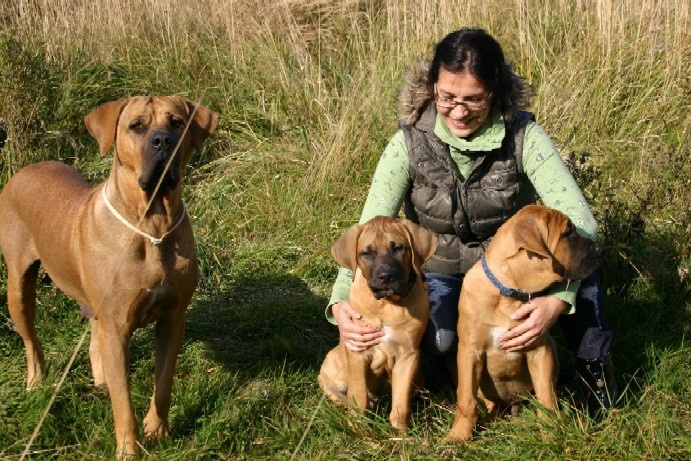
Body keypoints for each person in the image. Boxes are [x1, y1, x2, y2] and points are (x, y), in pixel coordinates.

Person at [325, 28, 617, 416]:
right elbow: (368, 230)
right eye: (447, 98)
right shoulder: (408, 142)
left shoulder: (524, 136)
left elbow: (581, 223)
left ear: (494, 92)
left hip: (513, 272)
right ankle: (466, 385)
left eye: (474, 100)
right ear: (432, 87)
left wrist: (557, 301)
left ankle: (596, 384)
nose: (459, 111)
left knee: (582, 269)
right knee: (444, 339)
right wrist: (341, 304)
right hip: (442, 273)